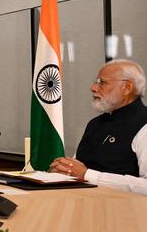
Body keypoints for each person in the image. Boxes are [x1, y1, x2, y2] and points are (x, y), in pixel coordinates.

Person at [49, 59, 147, 196]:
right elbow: (78, 167)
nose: (93, 88)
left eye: (102, 82)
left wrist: (88, 175)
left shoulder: (144, 125)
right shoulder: (95, 124)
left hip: (125, 212)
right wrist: (63, 168)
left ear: (127, 87)